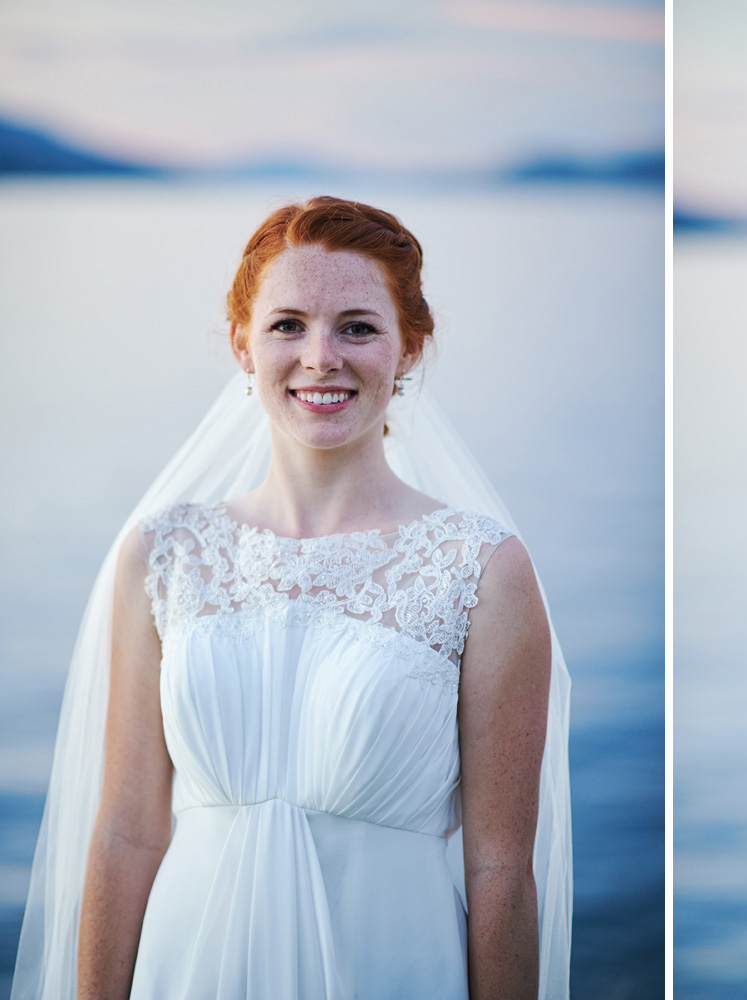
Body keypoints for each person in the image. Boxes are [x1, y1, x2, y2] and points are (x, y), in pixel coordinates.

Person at [12, 197, 572, 999]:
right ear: (242, 344)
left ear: (409, 348)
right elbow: (126, 835)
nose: (320, 356)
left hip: (392, 969)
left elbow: (500, 871)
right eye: (287, 325)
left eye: (357, 326)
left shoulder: (482, 570)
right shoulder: (162, 554)